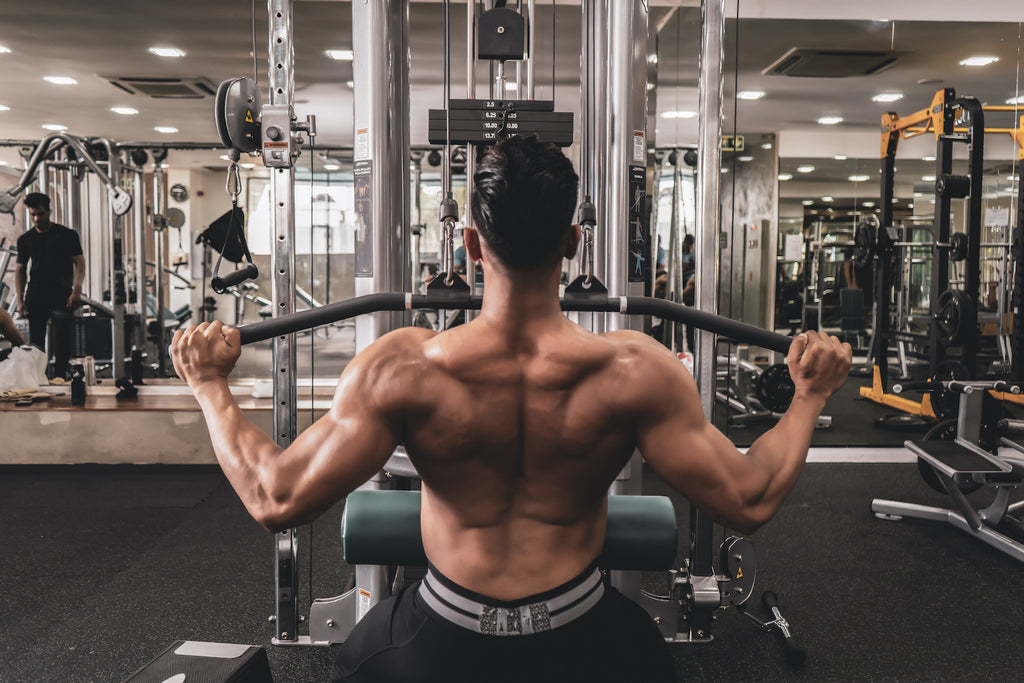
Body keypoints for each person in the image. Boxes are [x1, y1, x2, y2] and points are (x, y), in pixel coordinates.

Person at [171, 135, 851, 683]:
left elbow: (274, 494)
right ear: (572, 243)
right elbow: (750, 497)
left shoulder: (404, 366)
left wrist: (209, 385)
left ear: (470, 245)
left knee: (361, 658)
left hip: (434, 647)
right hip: (592, 645)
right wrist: (810, 395)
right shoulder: (633, 368)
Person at [14, 192, 85, 380]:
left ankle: (60, 378)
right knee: (37, 344)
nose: (37, 219)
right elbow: (20, 270)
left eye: (41, 214)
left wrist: (76, 291)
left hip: (62, 294)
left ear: (49, 211)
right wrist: (20, 300)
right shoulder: (25, 240)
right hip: (36, 295)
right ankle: (40, 380)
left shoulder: (67, 235)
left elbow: (80, 263)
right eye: (33, 215)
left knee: (63, 342)